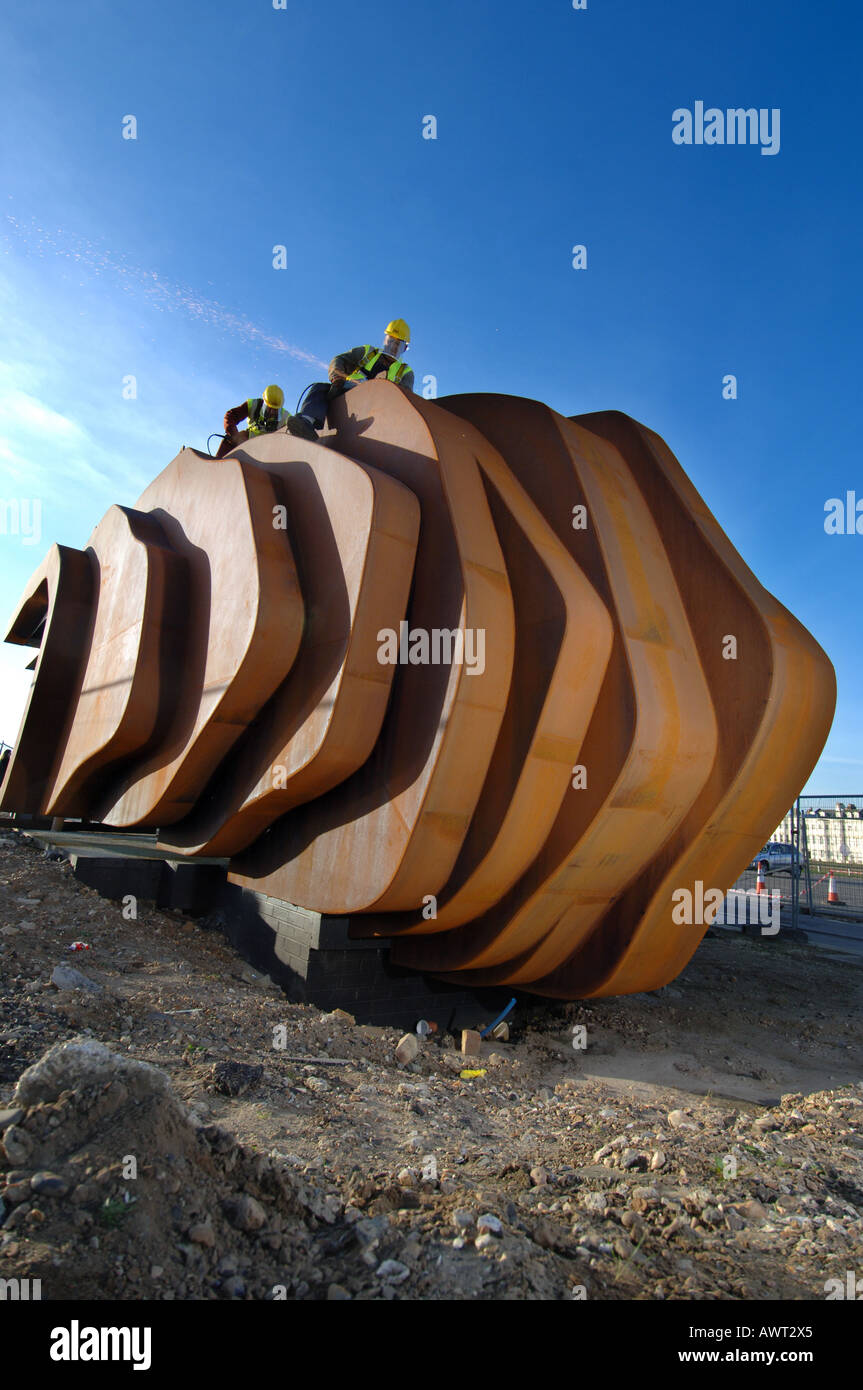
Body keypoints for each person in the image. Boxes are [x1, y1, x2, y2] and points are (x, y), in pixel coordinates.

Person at [288, 319, 414, 441]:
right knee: (319, 389)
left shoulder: (405, 372)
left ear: (404, 348)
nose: (393, 346)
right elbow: (339, 360)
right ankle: (307, 422)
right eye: (391, 340)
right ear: (385, 340)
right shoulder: (368, 352)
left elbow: (404, 400)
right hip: (347, 391)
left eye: (398, 343)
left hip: (377, 405)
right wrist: (336, 377)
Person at [215, 384, 289, 458]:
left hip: (270, 447)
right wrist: (236, 436)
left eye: (275, 410)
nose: (272, 412)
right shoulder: (254, 405)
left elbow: (294, 434)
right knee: (229, 441)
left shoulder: (286, 418)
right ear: (264, 403)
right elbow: (231, 416)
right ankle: (217, 463)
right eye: (269, 408)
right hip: (249, 440)